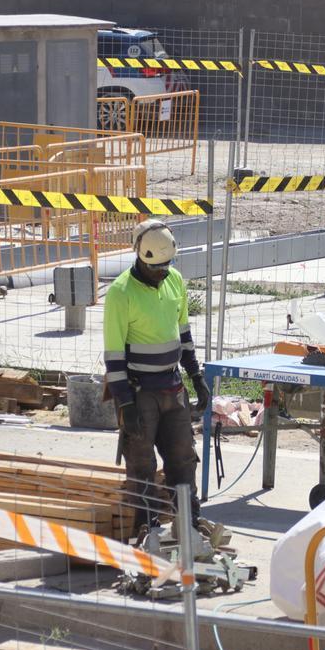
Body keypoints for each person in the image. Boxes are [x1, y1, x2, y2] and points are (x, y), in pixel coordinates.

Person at [104, 219, 211, 531]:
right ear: (141, 257)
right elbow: (114, 356)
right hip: (139, 391)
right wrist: (126, 404)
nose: (162, 272)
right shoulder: (121, 293)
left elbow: (184, 333)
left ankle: (189, 525)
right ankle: (146, 529)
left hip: (172, 386)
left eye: (167, 265)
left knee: (183, 458)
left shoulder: (174, 280)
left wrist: (196, 376)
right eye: (157, 267)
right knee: (141, 465)